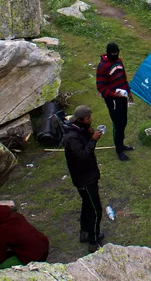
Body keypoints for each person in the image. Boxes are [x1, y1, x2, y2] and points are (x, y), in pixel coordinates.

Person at [64, 105, 105, 251]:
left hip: (84, 176)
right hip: (85, 179)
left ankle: (84, 232)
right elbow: (82, 156)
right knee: (95, 210)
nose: (91, 120)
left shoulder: (77, 130)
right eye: (88, 118)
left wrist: (88, 135)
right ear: (81, 119)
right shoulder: (72, 138)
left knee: (86, 204)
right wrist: (93, 140)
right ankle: (93, 240)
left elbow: (83, 143)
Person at [96, 42, 134, 161]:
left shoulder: (119, 61)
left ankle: (122, 144)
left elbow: (123, 78)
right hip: (112, 100)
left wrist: (129, 92)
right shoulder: (102, 66)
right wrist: (113, 94)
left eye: (117, 53)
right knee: (117, 124)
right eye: (113, 53)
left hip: (122, 97)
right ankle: (119, 150)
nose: (116, 55)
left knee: (124, 122)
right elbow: (100, 87)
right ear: (108, 53)